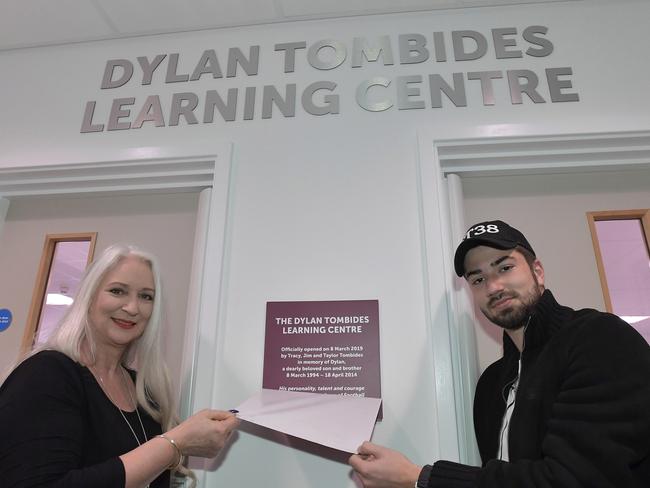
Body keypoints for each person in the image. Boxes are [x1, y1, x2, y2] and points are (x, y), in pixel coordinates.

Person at [349, 220, 650, 487]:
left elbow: (572, 479)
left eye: (504, 267)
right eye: (478, 279)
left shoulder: (599, 338)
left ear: (538, 272)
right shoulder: (491, 384)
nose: (493, 286)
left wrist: (420, 477)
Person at [0, 243, 239, 488]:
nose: (132, 308)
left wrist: (185, 443)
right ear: (89, 297)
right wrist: (174, 443)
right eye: (117, 291)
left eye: (146, 296)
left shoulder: (146, 395)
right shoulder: (46, 374)